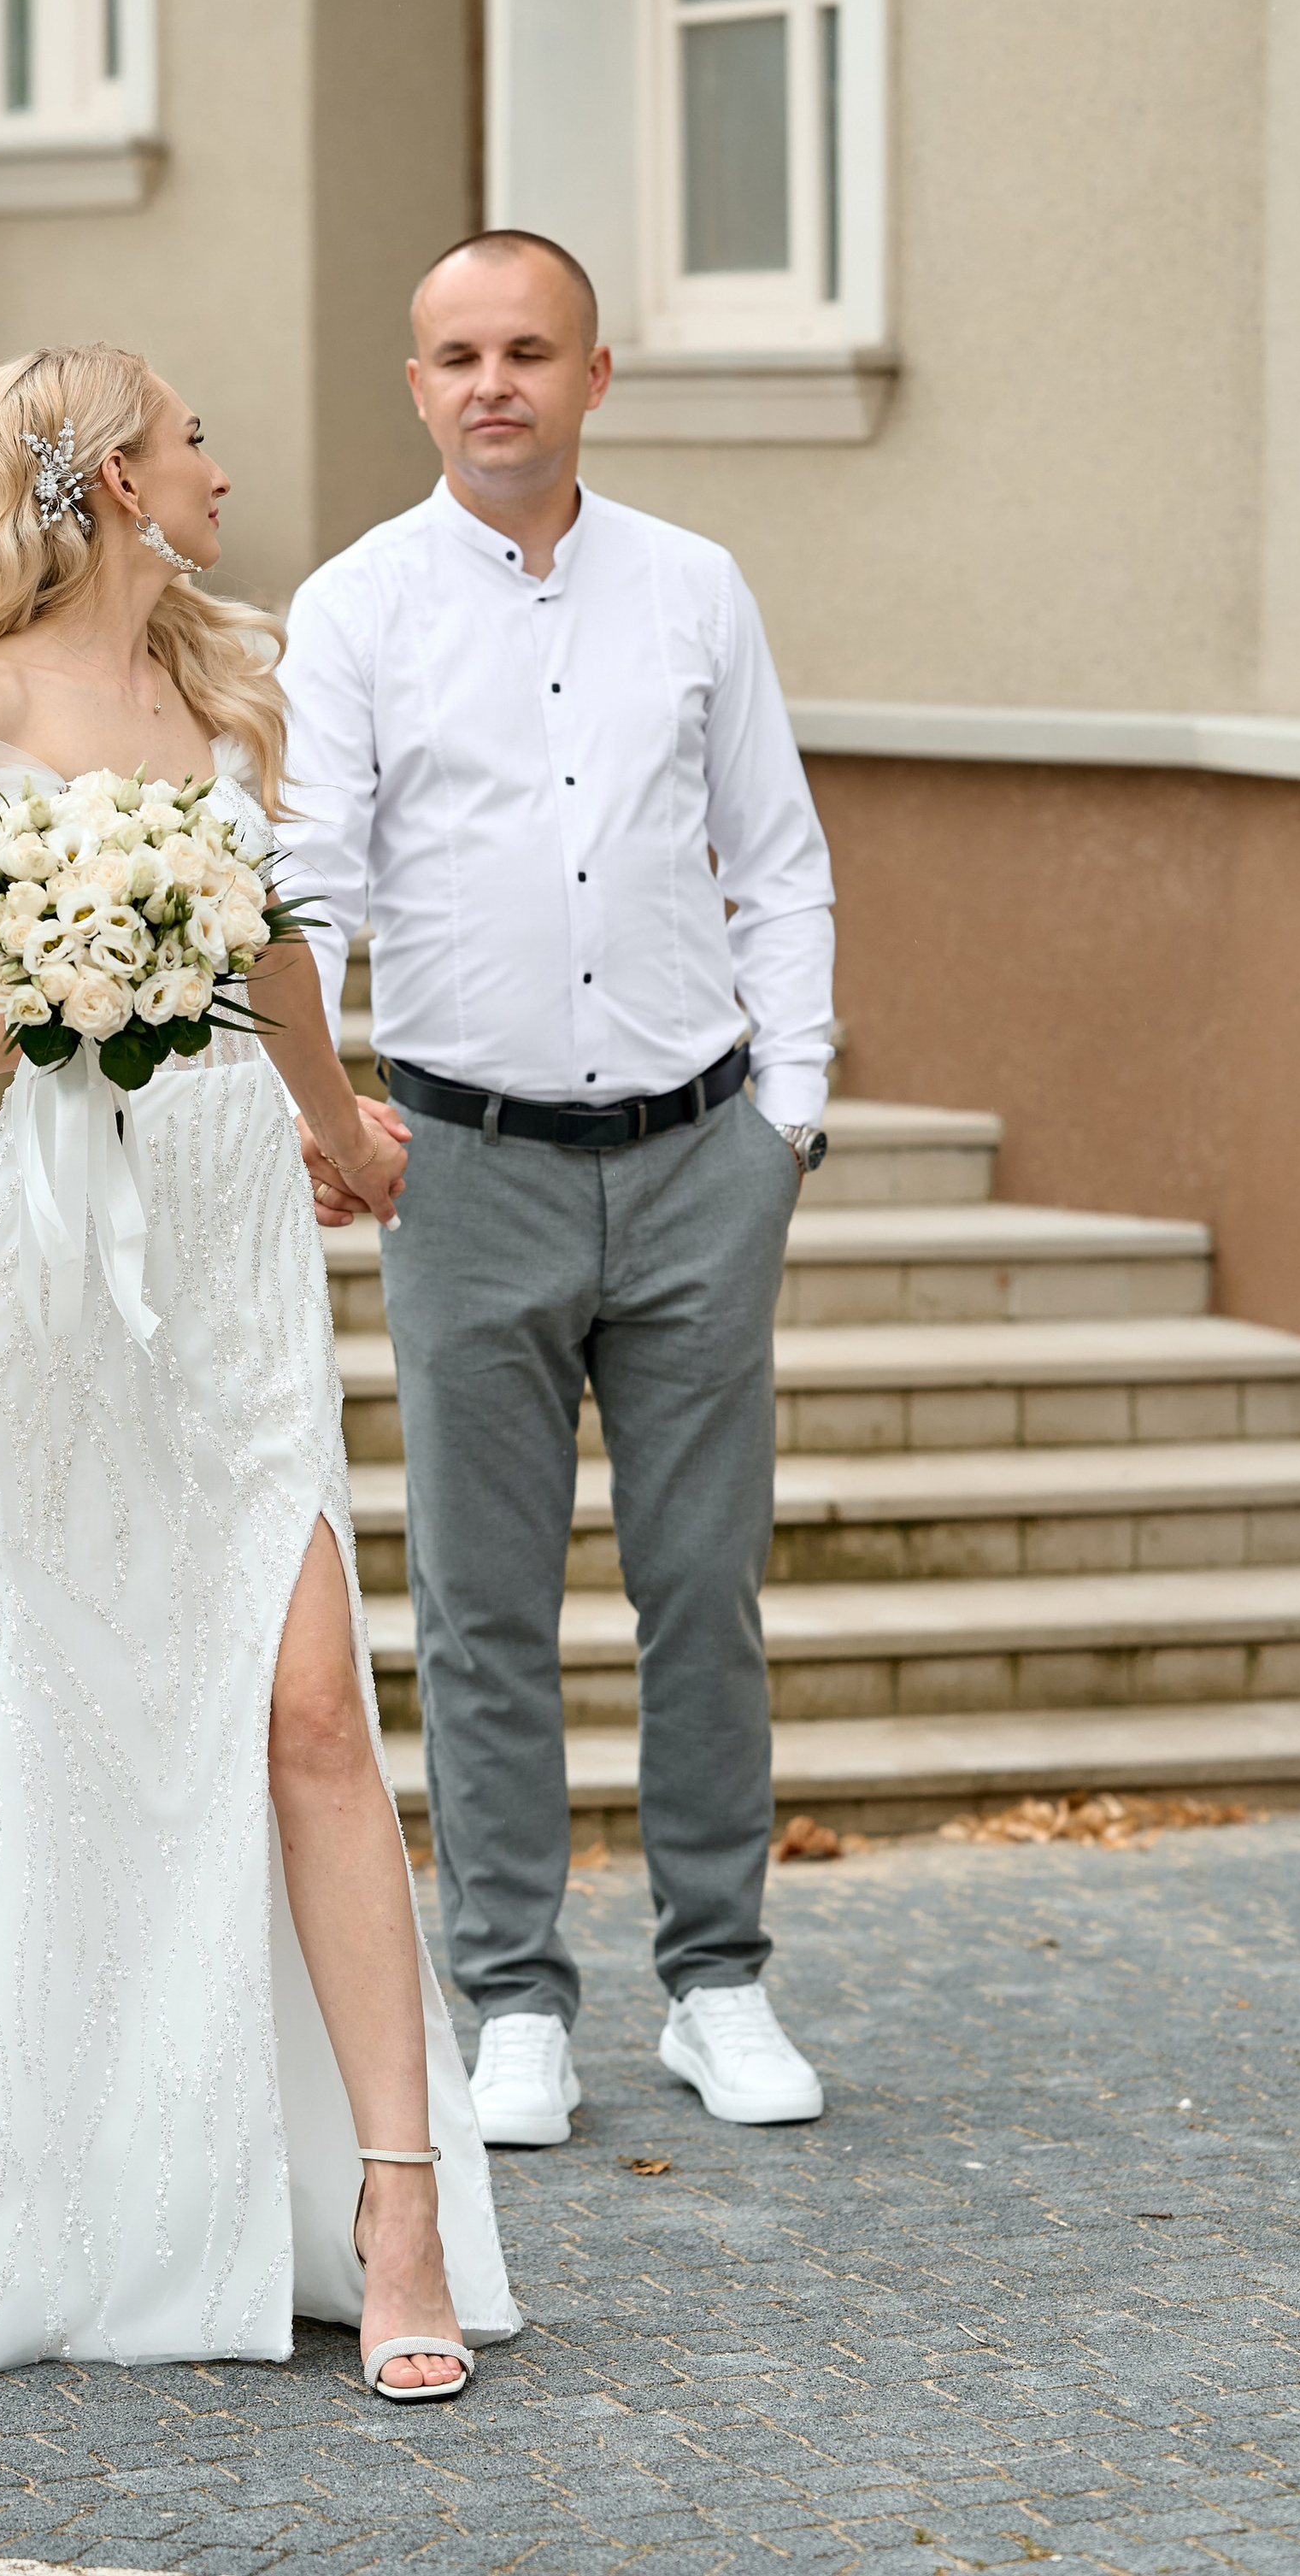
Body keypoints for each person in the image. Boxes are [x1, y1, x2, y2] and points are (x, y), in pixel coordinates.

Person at [0, 344, 519, 2395]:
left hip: (231, 1246)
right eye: (191, 438)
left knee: (307, 1710)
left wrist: (345, 1117)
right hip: (63, 1264)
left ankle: (395, 2209)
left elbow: (271, 934)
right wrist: (72, 971)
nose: (221, 464)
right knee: (90, 1723)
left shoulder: (226, 684)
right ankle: (84, 2190)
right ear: (113, 476)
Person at [279, 231, 836, 2148]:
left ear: (596, 374)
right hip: (468, 1166)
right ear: (415, 384)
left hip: (696, 1162)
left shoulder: (693, 588)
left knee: (703, 1590)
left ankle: (716, 1981)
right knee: (481, 1603)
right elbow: (313, 879)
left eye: (528, 347)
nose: (491, 380)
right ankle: (508, 1997)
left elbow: (777, 856)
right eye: (455, 353)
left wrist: (792, 1117)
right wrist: (324, 1096)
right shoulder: (351, 608)